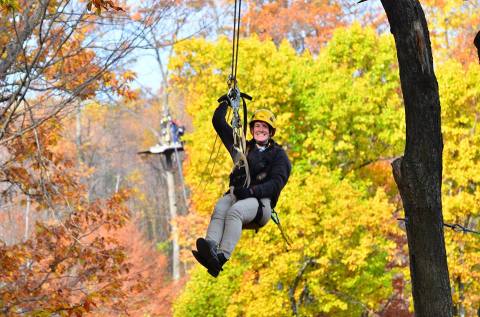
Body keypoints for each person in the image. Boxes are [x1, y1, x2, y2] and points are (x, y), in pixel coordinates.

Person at [192, 100, 291, 277]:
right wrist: (226, 104)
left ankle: (221, 257)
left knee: (235, 211)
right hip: (238, 194)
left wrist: (253, 191)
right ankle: (211, 249)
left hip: (260, 203)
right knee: (221, 207)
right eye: (257, 126)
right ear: (252, 130)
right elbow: (219, 123)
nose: (260, 130)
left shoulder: (278, 156)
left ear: (271, 131)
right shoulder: (243, 149)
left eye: (265, 127)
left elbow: (276, 183)